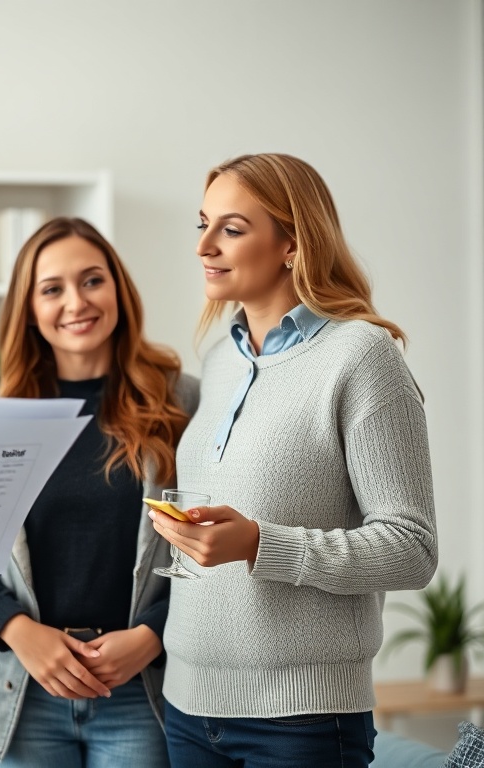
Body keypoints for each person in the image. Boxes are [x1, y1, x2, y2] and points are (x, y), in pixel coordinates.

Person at [147, 153, 438, 768]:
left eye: (231, 228)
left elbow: (412, 549)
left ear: (293, 244)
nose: (204, 245)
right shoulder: (220, 359)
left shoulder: (361, 356)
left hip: (302, 718)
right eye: (201, 224)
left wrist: (258, 543)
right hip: (187, 703)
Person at [0, 217, 199, 768]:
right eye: (52, 289)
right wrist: (19, 632)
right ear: (30, 309)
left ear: (118, 288)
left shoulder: (182, 404)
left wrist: (154, 635)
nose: (76, 302)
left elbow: (209, 549)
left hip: (140, 689)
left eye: (92, 280)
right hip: (25, 688)